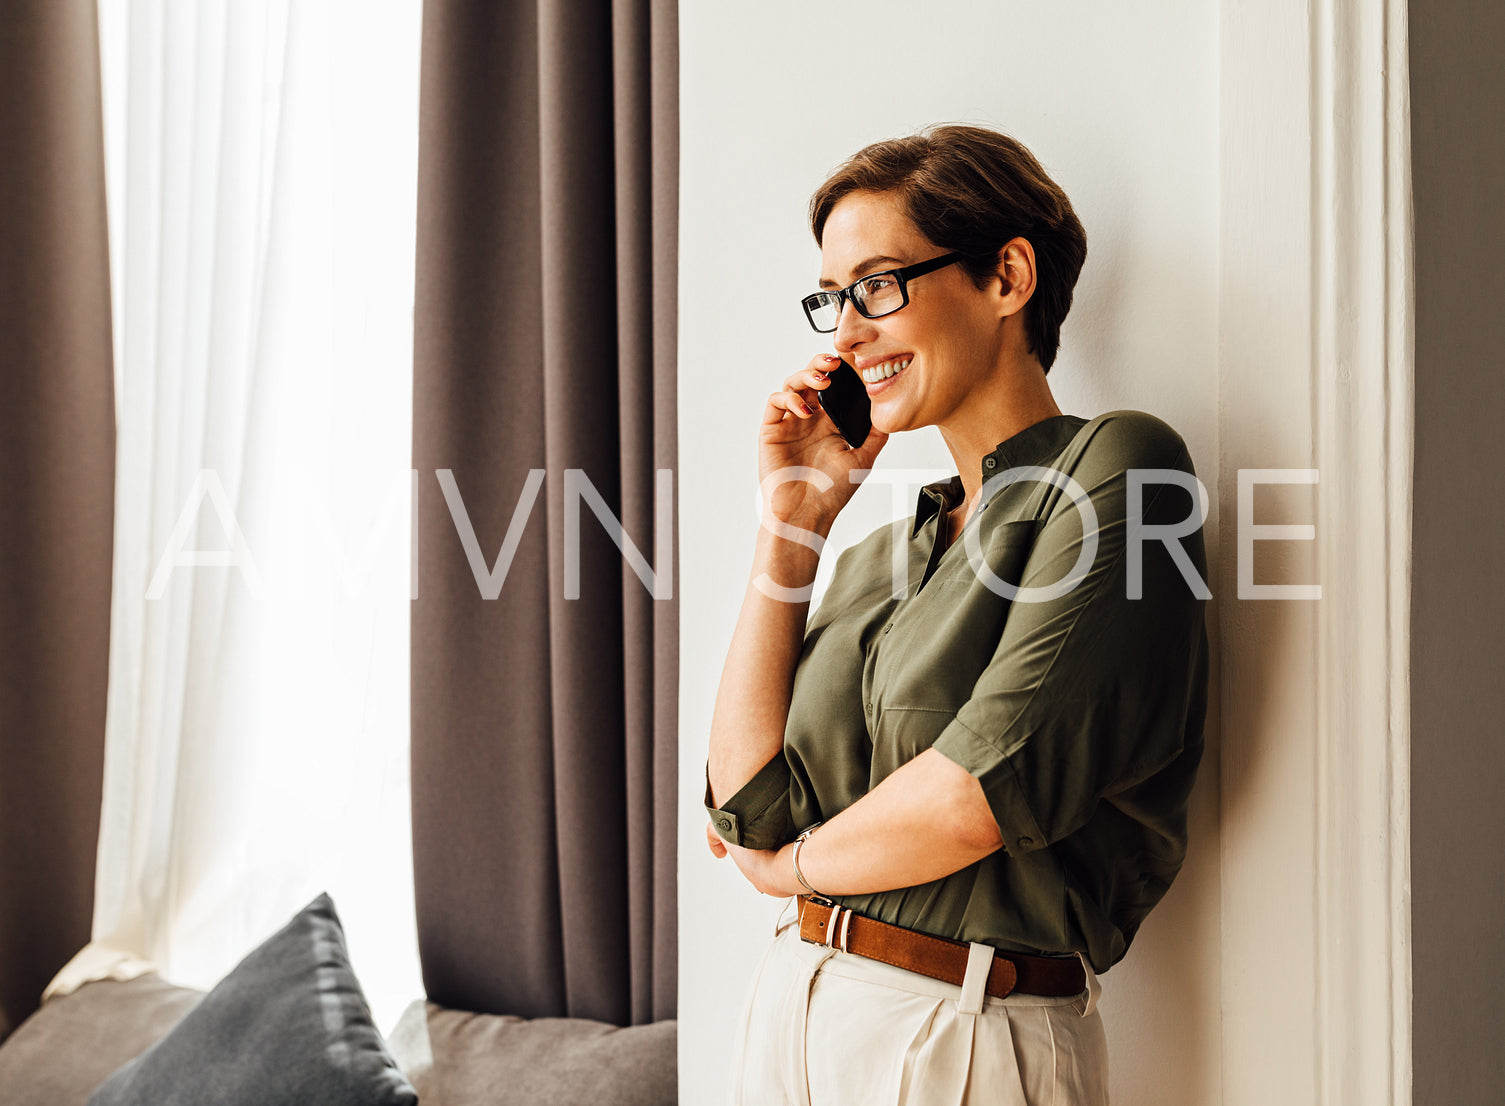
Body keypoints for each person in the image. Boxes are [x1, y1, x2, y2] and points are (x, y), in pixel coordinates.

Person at [703, 123, 1211, 1105]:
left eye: (878, 284)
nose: (845, 331)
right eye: (833, 298)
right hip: (789, 1007)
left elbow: (979, 790)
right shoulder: (875, 557)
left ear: (1005, 276)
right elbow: (743, 802)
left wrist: (792, 869)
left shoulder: (1119, 467)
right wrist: (792, 526)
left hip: (959, 1029)